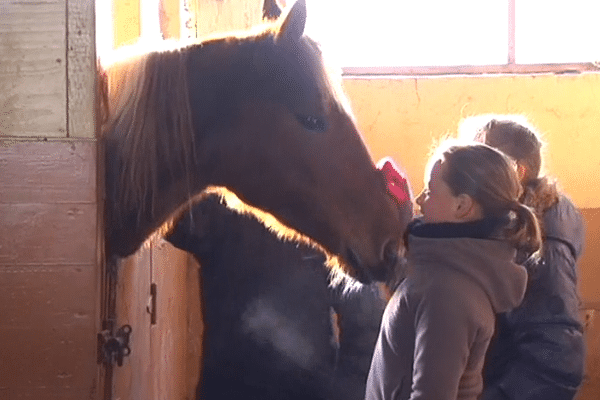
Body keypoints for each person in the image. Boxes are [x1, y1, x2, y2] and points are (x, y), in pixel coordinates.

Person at [365, 141, 542, 400]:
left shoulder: (447, 295)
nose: (419, 200)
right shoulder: (446, 270)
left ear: (462, 206)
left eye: (429, 191)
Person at [461, 115, 586, 400]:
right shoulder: (510, 224)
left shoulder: (542, 243)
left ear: (516, 171)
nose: (462, 171)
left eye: (477, 160)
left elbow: (556, 357)